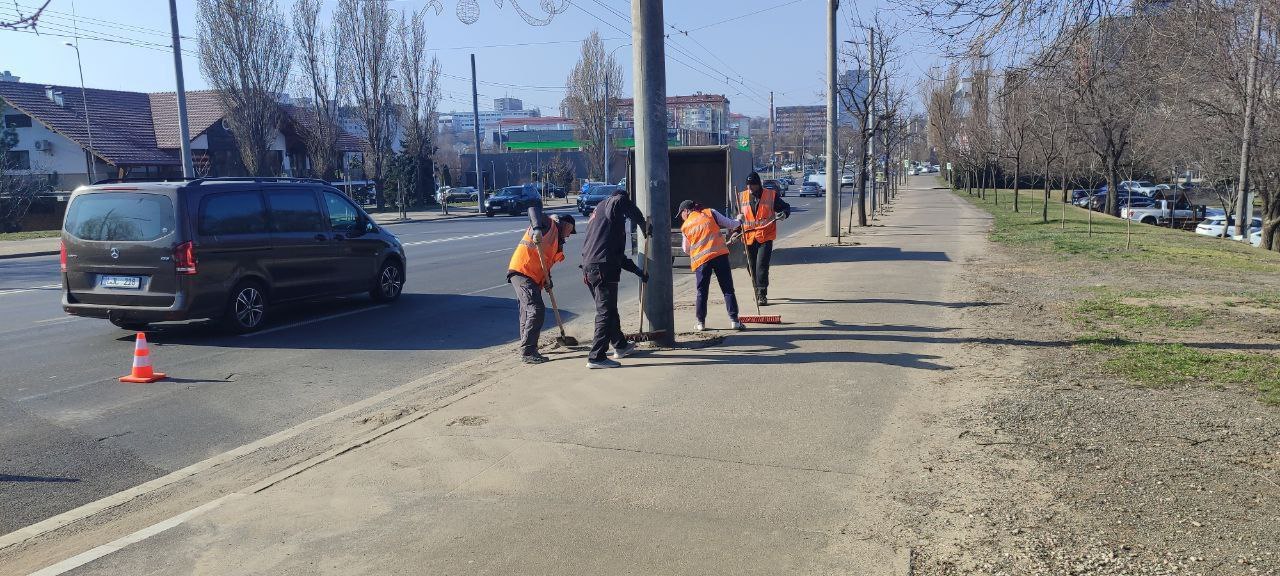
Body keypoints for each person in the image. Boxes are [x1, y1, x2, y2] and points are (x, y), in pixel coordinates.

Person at [580, 187, 651, 369]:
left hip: (595, 266)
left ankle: (620, 345)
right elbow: (620, 201)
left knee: (610, 309)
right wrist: (642, 224)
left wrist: (637, 271)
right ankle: (596, 356)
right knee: (605, 312)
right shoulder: (611, 204)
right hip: (602, 268)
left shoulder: (604, 220)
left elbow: (617, 255)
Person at [507, 206, 576, 364]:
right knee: (536, 309)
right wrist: (537, 229)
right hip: (522, 270)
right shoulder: (549, 224)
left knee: (527, 312)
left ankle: (528, 347)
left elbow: (545, 264)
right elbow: (532, 209)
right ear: (566, 224)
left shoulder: (556, 243)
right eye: (570, 231)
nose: (569, 236)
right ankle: (528, 352)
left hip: (531, 276)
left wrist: (548, 280)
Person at [678, 200, 744, 332]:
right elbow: (730, 224)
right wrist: (740, 220)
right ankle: (735, 321)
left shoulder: (685, 227)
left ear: (686, 211)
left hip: (702, 262)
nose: (681, 217)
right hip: (720, 256)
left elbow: (686, 249)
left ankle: (700, 323)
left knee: (702, 292)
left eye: (681, 214)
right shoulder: (710, 213)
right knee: (727, 289)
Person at [738, 171, 790, 306]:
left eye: (752, 185)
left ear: (758, 184)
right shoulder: (742, 197)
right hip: (748, 237)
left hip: (765, 237)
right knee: (751, 266)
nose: (749, 188)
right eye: (748, 185)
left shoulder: (770, 195)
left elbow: (785, 207)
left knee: (761, 266)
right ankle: (756, 289)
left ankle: (762, 294)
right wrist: (735, 231)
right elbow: (738, 219)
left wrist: (784, 214)